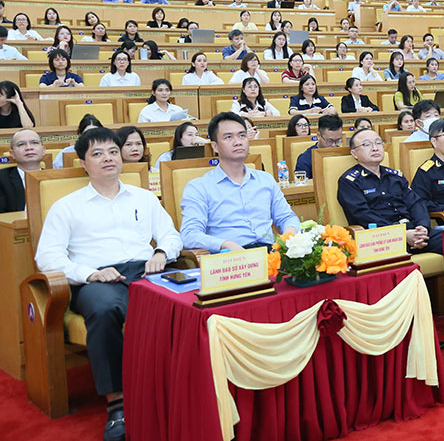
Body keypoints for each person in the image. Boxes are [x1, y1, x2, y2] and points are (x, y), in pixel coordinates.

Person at [35, 126, 181, 441]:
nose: (108, 158)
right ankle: (118, 406)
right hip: (96, 279)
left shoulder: (144, 197)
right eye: (98, 154)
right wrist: (89, 273)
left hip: (145, 271)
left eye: (113, 151)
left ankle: (182, 388)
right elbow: (46, 257)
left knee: (187, 300)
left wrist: (161, 253)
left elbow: (171, 235)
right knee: (104, 311)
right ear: (83, 163)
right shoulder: (67, 206)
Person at [181, 113, 301, 251]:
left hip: (271, 254)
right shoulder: (199, 187)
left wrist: (289, 233)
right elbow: (189, 235)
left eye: (242, 135)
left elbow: (287, 217)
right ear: (215, 146)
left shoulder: (265, 179)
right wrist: (225, 244)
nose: (238, 142)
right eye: (228, 137)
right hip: (230, 257)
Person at [338, 127, 438, 252]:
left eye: (378, 143)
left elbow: (416, 203)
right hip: (381, 239)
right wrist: (401, 234)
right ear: (354, 153)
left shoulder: (396, 176)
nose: (375, 148)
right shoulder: (349, 182)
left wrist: (422, 228)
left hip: (413, 232)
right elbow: (363, 215)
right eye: (367, 145)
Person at [0, 129, 42, 212]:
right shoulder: (2, 179)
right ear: (12, 154)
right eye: (21, 144)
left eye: (34, 143)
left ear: (43, 150)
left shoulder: (55, 179)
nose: (29, 148)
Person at [294, 114, 345, 179]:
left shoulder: (344, 155)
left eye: (338, 140)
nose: (334, 145)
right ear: (318, 135)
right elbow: (302, 183)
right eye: (329, 141)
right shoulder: (305, 159)